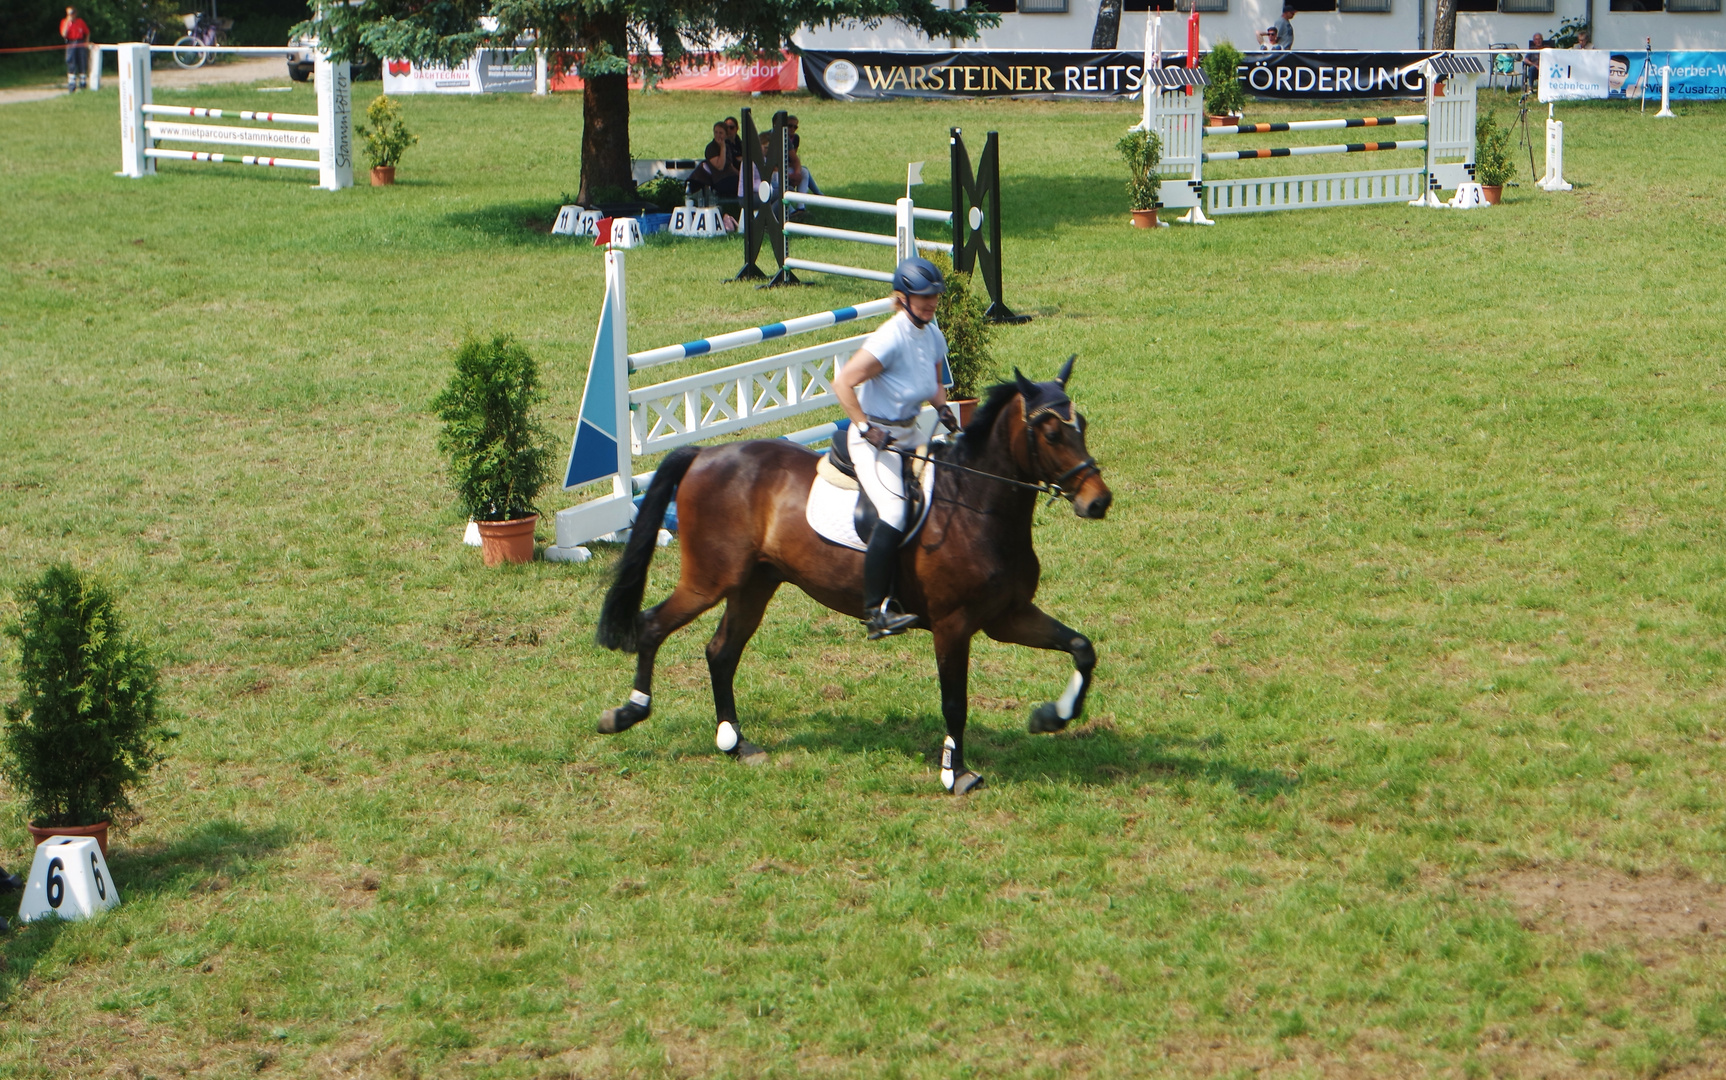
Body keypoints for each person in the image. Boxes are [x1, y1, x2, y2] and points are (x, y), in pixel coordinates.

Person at [831, 257, 959, 640]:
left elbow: (934, 383)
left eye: (934, 297)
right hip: (875, 439)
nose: (931, 304)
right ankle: (876, 611)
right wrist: (866, 427)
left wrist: (943, 409)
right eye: (923, 298)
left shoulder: (933, 334)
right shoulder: (889, 337)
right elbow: (843, 384)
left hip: (910, 434)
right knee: (894, 509)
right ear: (901, 298)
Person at [687, 120, 739, 199]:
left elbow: (730, 166)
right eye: (716, 132)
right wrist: (722, 148)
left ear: (726, 134)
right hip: (720, 180)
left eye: (721, 133)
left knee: (746, 183)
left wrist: (741, 176)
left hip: (730, 176)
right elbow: (720, 166)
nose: (718, 135)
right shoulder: (711, 148)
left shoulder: (727, 146)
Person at [60, 5, 91, 93]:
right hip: (70, 42)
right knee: (71, 62)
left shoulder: (80, 22)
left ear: (75, 14)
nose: (71, 15)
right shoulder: (64, 22)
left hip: (80, 42)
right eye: (69, 14)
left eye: (72, 13)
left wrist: (86, 42)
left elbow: (87, 32)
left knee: (82, 61)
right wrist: (67, 22)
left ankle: (83, 83)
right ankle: (72, 84)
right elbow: (63, 34)